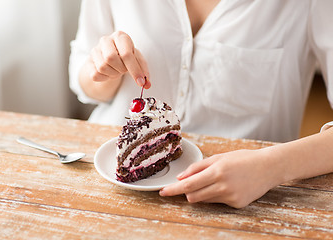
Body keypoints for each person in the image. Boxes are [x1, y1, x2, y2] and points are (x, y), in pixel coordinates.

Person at [69, 0, 333, 208]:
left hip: (238, 203)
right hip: (102, 182)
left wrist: (271, 167)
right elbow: (84, 84)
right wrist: (100, 69)